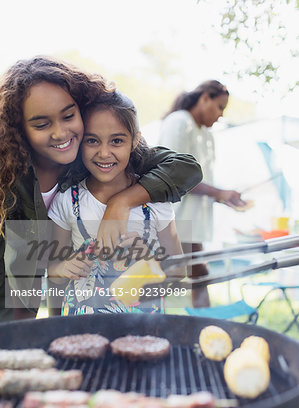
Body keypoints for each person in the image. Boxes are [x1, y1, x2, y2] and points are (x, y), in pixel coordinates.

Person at [0, 56, 202, 322]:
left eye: (69, 116)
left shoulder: (94, 159)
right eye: (41, 124)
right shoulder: (14, 176)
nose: (61, 133)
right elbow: (48, 274)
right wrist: (54, 322)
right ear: (19, 128)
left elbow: (186, 168)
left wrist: (122, 203)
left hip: (142, 322)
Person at [47, 90, 184, 315]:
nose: (104, 153)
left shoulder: (156, 202)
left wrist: (151, 261)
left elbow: (179, 272)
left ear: (135, 141)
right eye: (92, 140)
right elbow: (53, 272)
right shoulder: (67, 201)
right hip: (81, 329)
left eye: (117, 141)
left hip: (142, 331)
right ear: (80, 141)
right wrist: (63, 268)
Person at [158, 80, 249, 308]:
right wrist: (220, 192)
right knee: (160, 278)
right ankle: (145, 327)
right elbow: (176, 174)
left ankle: (205, 325)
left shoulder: (206, 134)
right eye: (219, 107)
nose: (220, 116)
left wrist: (223, 197)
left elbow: (201, 181)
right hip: (172, 219)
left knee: (199, 273)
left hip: (191, 223)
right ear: (204, 97)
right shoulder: (179, 121)